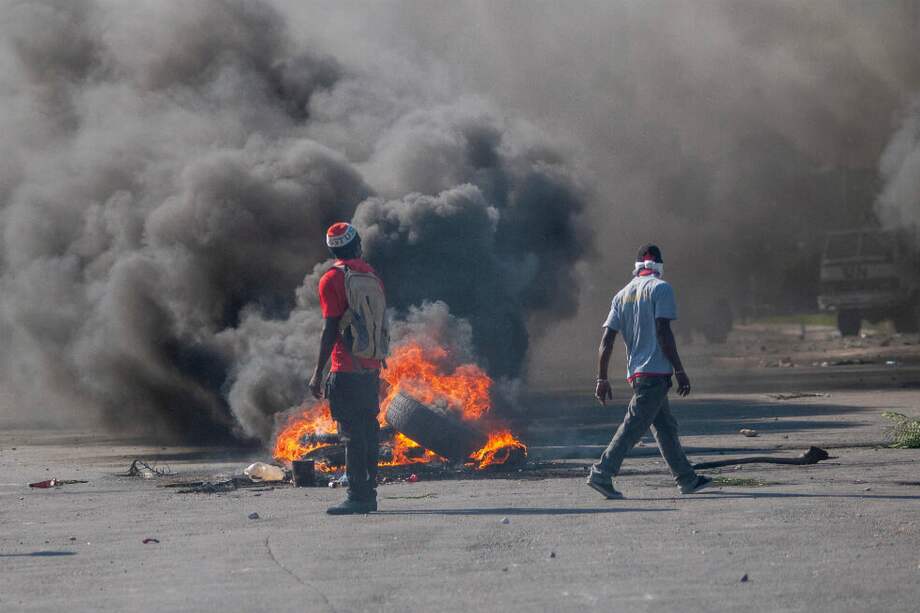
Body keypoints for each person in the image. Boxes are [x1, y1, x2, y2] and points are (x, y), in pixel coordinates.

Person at [587, 244, 712, 499]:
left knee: (666, 427)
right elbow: (663, 332)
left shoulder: (621, 295)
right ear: (659, 265)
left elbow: (607, 340)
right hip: (655, 373)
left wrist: (602, 378)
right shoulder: (661, 288)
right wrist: (679, 370)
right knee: (633, 426)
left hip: (638, 374)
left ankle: (687, 479)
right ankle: (602, 473)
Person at [309, 222, 386, 515]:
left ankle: (358, 496)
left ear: (332, 250)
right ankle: (370, 493)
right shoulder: (371, 275)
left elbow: (330, 329)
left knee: (352, 434)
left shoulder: (332, 279)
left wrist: (318, 372)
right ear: (358, 246)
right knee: (368, 430)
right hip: (370, 366)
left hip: (346, 368)